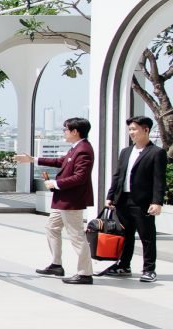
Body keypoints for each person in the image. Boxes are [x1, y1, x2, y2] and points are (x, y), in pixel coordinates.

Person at [13, 117, 94, 284]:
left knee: (77, 235)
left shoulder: (84, 150)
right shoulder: (75, 148)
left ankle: (85, 273)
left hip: (71, 201)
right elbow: (60, 162)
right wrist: (33, 159)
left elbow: (80, 177)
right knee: (52, 228)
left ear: (75, 132)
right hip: (62, 200)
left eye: (66, 129)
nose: (64, 132)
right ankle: (56, 264)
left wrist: (56, 183)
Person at [104, 116, 167, 282]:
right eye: (130, 129)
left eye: (134, 129)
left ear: (146, 130)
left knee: (147, 236)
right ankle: (124, 266)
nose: (131, 132)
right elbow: (118, 176)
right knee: (125, 235)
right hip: (123, 200)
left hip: (142, 202)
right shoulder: (126, 152)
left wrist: (157, 202)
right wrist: (110, 196)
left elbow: (159, 180)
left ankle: (149, 270)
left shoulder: (156, 152)